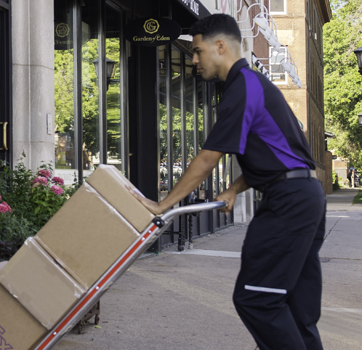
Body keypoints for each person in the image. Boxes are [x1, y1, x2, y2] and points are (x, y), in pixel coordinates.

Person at [129, 14, 326, 350]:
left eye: (197, 51)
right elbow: (277, 157)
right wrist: (234, 188)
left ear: (220, 46)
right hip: (304, 195)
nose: (193, 60)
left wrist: (163, 204)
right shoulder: (254, 86)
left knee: (256, 298)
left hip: (288, 202)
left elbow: (208, 158)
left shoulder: (243, 87)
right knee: (294, 306)